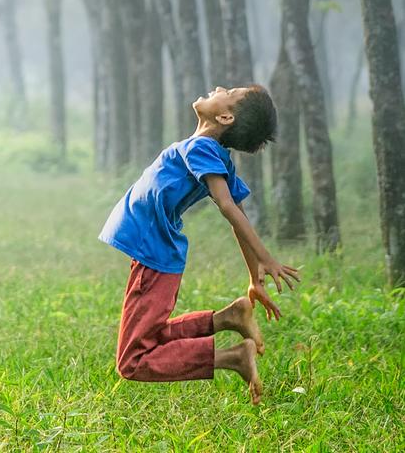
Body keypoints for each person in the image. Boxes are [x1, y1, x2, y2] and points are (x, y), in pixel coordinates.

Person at [100, 85, 299, 404]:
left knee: (133, 361)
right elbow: (238, 212)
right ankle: (229, 318)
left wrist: (265, 258)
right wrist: (254, 278)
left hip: (153, 254)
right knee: (151, 336)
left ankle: (234, 357)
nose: (219, 88)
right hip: (155, 252)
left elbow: (229, 207)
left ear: (225, 117)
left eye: (229, 92)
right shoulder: (210, 152)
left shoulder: (202, 148)